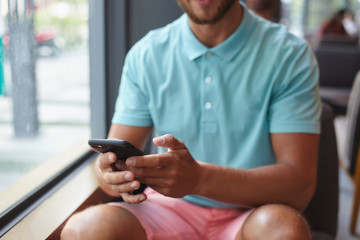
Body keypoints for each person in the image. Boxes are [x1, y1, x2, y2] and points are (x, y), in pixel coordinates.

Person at [61, 0, 321, 239]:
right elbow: (112, 163)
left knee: (284, 230)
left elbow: (299, 186)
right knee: (81, 231)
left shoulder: (290, 54)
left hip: (252, 211)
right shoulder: (146, 54)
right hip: (165, 209)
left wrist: (200, 179)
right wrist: (108, 173)